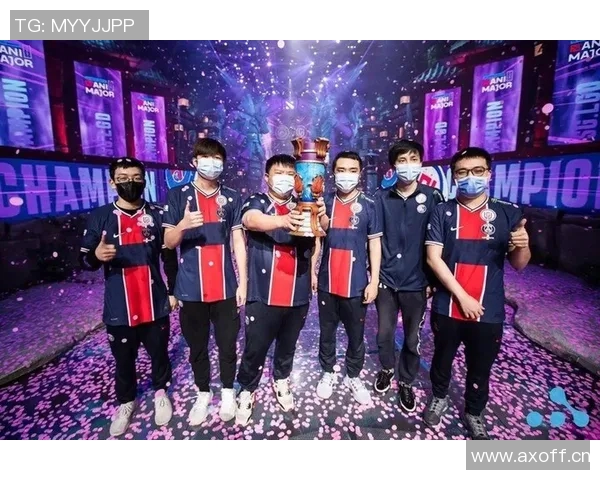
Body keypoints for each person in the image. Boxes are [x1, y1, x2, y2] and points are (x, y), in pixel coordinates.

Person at [423, 147, 530, 440]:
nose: (470, 177)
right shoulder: (442, 211)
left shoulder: (507, 212)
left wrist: (522, 245)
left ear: (489, 174)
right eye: (462, 172)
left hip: (489, 308)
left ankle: (474, 411)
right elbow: (434, 258)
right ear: (454, 176)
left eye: (478, 170)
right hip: (448, 305)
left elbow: (520, 264)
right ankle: (439, 397)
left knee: (480, 365)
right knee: (442, 358)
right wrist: (462, 297)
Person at [79, 157, 178, 437]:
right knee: (123, 359)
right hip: (119, 306)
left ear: (144, 180)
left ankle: (161, 392)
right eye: (122, 178)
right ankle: (126, 402)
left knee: (159, 353)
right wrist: (96, 256)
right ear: (112, 182)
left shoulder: (157, 214)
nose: (130, 183)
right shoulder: (100, 216)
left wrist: (172, 292)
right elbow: (84, 259)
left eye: (135, 177)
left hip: (154, 302)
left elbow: (169, 257)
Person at [235, 154, 324, 426]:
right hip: (263, 293)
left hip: (298, 292)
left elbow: (317, 237)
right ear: (267, 177)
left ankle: (282, 379)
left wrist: (314, 269)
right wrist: (283, 221)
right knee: (255, 346)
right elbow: (251, 220)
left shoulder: (304, 202)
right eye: (279, 173)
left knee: (288, 344)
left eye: (289, 173)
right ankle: (247, 389)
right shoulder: (258, 201)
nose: (284, 178)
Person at [163, 138, 247, 426]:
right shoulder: (178, 195)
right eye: (206, 157)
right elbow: (168, 242)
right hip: (191, 288)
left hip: (225, 287)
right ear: (194, 162)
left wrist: (243, 282)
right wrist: (183, 225)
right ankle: (202, 392)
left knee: (227, 344)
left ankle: (227, 392)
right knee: (197, 346)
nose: (212, 163)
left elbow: (238, 240)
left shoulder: (232, 197)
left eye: (217, 159)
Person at [373, 140, 444, 412]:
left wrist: (433, 281)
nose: (408, 165)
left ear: (421, 163)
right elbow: (373, 239)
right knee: (384, 333)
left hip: (417, 283)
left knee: (413, 338)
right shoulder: (381, 198)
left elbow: (440, 242)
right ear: (394, 166)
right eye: (402, 160)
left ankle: (406, 381)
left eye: (413, 159)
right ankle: (387, 368)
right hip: (386, 280)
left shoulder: (433, 197)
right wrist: (374, 274)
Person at [311, 151, 382, 405]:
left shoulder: (370, 204)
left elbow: (374, 244)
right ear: (333, 173)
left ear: (360, 173)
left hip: (356, 283)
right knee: (327, 332)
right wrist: (313, 270)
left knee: (356, 334)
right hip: (328, 282)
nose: (346, 175)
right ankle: (328, 372)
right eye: (341, 170)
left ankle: (353, 375)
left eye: (352, 170)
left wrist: (374, 280)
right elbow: (319, 237)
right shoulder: (325, 201)